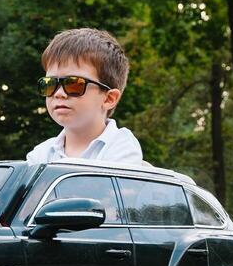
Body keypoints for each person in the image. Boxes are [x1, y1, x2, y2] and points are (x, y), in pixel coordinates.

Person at [25, 28, 144, 166]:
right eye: (49, 84)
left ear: (108, 99)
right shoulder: (41, 154)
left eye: (73, 84)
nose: (58, 93)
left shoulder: (121, 148)